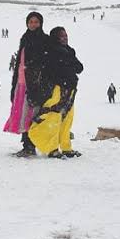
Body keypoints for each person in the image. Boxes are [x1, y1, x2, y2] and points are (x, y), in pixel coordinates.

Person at [28, 27, 84, 158]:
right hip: (57, 90)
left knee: (67, 118)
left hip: (69, 90)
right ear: (55, 38)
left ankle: (66, 147)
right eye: (61, 36)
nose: (65, 38)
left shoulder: (69, 51)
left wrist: (68, 62)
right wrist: (68, 65)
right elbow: (54, 72)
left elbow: (79, 68)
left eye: (66, 35)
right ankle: (52, 148)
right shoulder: (52, 52)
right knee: (53, 117)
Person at [6, 12, 51, 158]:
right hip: (21, 82)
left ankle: (30, 146)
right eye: (31, 22)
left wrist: (40, 84)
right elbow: (20, 61)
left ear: (41, 23)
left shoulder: (45, 40)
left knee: (32, 115)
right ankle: (26, 145)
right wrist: (14, 85)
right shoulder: (25, 38)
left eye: (36, 22)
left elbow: (46, 64)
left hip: (34, 84)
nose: (33, 24)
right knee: (24, 115)